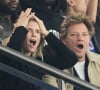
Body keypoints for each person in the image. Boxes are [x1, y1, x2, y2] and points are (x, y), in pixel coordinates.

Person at [0, 8, 78, 90]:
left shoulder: (39, 61)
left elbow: (70, 59)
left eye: (38, 31)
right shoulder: (5, 53)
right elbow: (13, 53)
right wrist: (20, 28)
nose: (34, 34)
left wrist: (46, 33)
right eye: (28, 30)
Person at [43, 15, 100, 90]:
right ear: (63, 40)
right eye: (74, 34)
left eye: (84, 35)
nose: (80, 38)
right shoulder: (54, 67)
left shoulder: (98, 61)